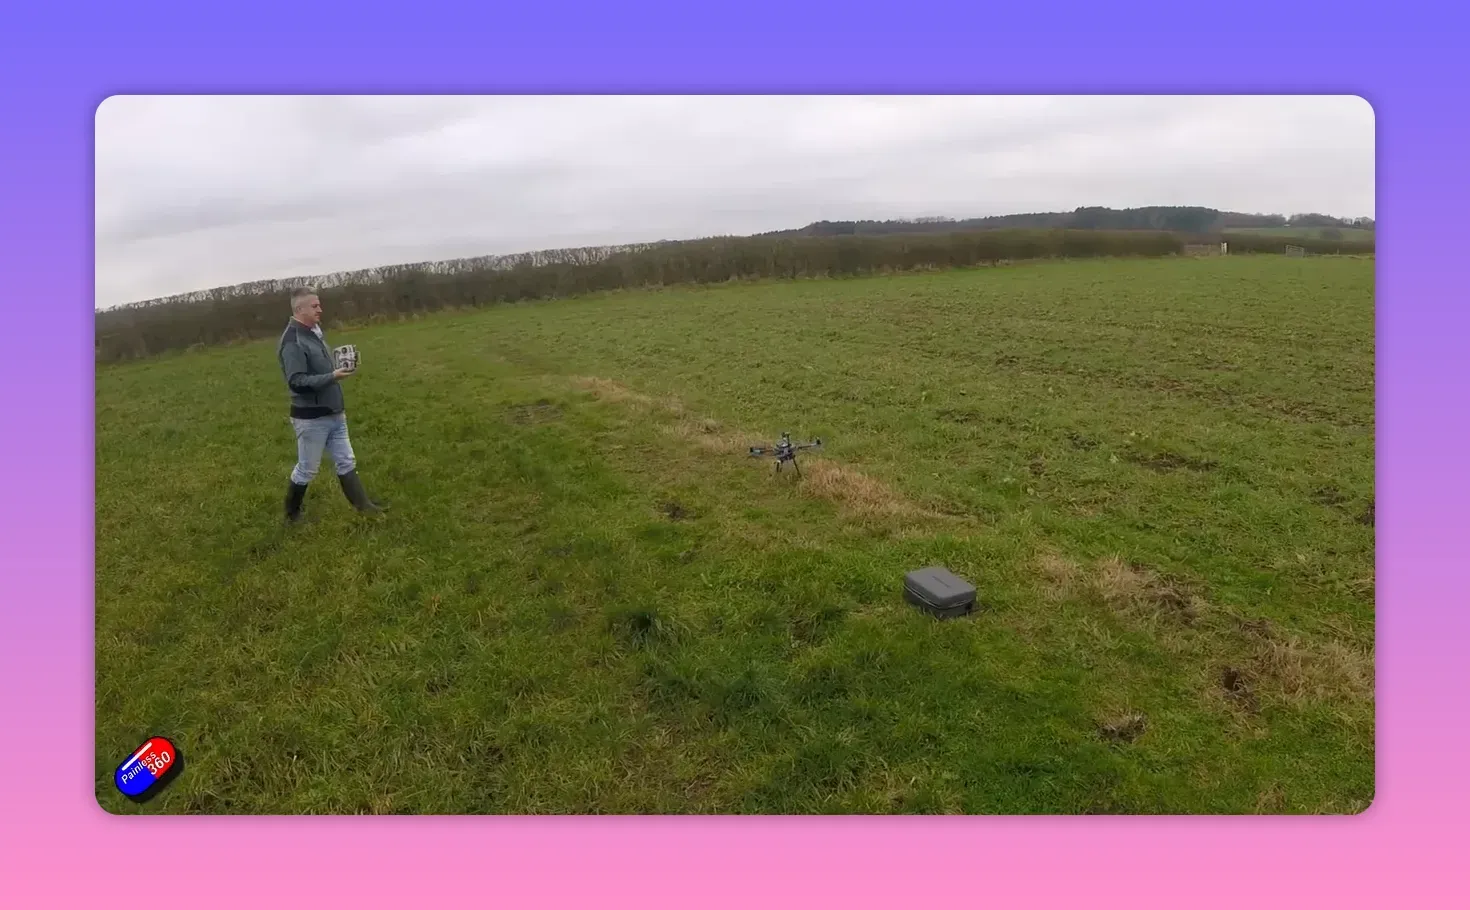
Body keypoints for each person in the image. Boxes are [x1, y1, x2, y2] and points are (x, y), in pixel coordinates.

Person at [277, 286, 387, 523]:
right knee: (307, 469)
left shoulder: (313, 332)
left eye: (319, 304)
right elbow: (297, 382)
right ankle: (291, 514)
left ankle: (364, 507)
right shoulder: (293, 341)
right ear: (299, 309)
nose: (320, 309)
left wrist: (339, 366)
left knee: (346, 460)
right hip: (311, 418)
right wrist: (333, 376)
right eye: (314, 306)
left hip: (335, 412)